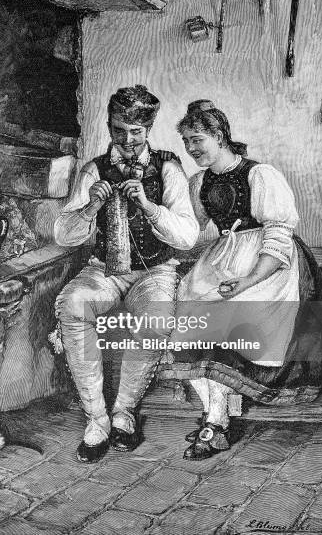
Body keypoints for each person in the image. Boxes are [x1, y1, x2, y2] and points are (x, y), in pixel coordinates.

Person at [172, 99, 322, 461]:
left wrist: (247, 281)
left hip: (272, 265)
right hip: (224, 257)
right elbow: (193, 233)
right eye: (187, 143)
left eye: (198, 140)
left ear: (220, 135)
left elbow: (278, 239)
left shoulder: (260, 175)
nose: (193, 149)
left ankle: (217, 421)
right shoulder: (198, 183)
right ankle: (217, 415)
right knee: (188, 312)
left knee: (236, 315)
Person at [53, 85, 199, 463]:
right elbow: (63, 236)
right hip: (105, 271)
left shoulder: (168, 167)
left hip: (155, 270)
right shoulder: (93, 170)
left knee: (154, 316)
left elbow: (186, 236)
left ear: (148, 129)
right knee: (72, 304)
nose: (128, 139)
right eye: (120, 130)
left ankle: (124, 413)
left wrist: (149, 206)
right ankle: (96, 417)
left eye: (136, 131)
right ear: (109, 125)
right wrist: (90, 208)